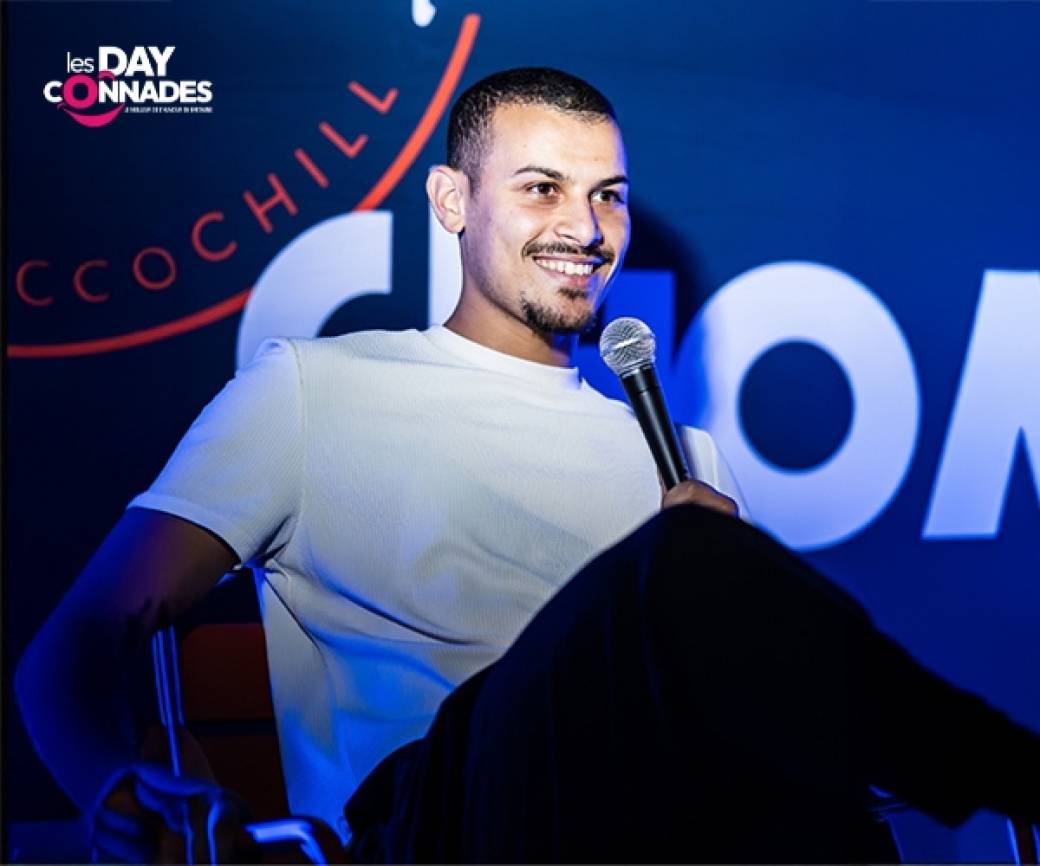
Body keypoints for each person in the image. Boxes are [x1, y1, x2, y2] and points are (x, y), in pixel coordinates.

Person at [16, 68, 1039, 864]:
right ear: (451, 200)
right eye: (542, 188)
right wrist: (112, 783)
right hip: (439, 819)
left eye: (608, 197)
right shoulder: (312, 389)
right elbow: (78, 639)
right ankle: (1011, 768)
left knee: (791, 769)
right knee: (687, 562)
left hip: (659, 819)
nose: (584, 230)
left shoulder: (686, 458)